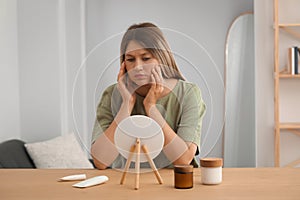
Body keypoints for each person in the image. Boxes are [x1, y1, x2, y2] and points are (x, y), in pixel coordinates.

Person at [91, 22, 206, 170]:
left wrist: (151, 107)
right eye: (130, 59)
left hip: (172, 185)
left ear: (162, 58)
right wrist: (126, 104)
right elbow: (100, 161)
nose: (137, 66)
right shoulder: (112, 94)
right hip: (123, 184)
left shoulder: (189, 94)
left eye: (145, 58)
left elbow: (183, 160)